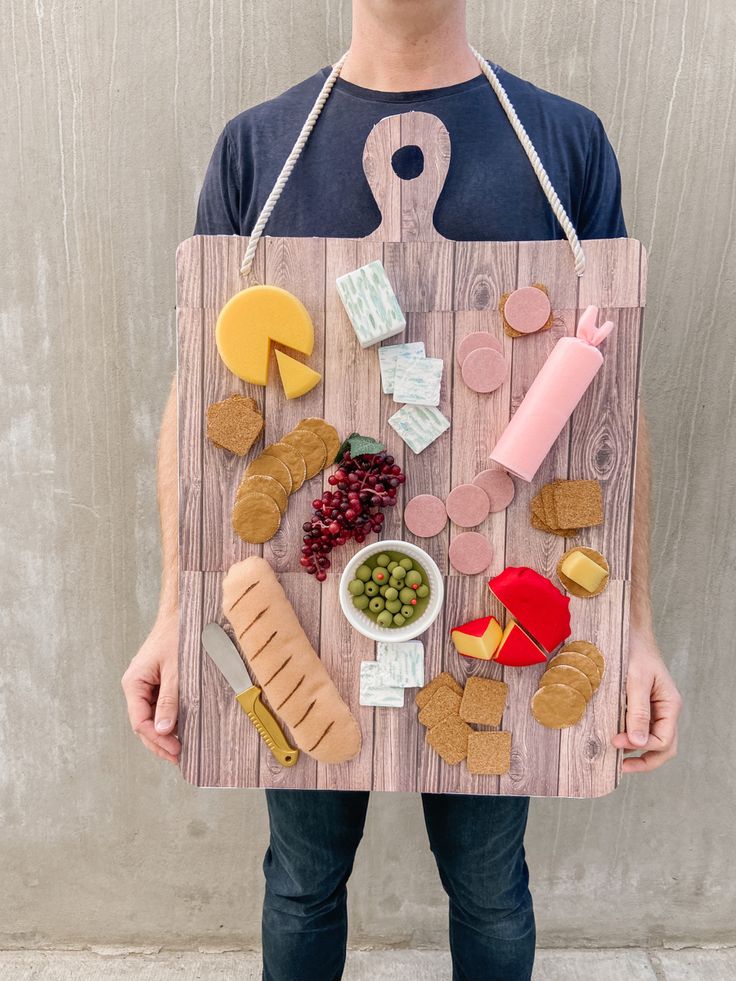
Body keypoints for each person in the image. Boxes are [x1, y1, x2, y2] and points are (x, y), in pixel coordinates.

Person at [122, 2, 683, 978]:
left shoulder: (563, 144)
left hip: (500, 607)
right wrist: (177, 611)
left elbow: (609, 403)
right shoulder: (257, 148)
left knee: (490, 883)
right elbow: (199, 391)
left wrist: (631, 629)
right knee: (299, 882)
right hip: (299, 612)